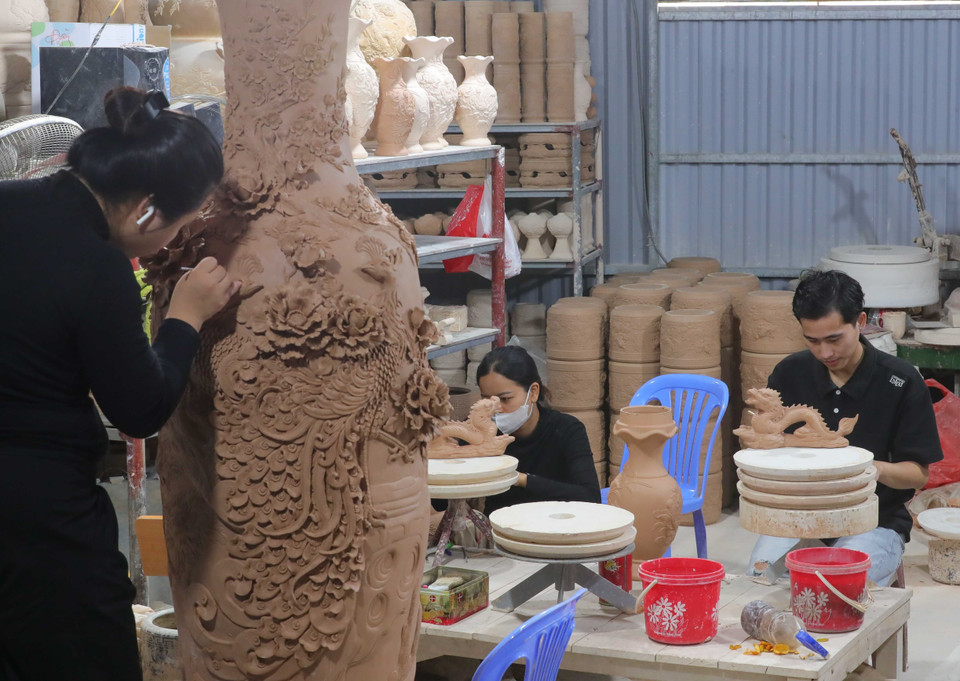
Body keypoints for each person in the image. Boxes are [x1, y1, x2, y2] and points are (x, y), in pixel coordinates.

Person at [0, 88, 238, 681]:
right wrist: (184, 317)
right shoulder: (95, 262)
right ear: (147, 211)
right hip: (34, 511)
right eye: (177, 226)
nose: (171, 243)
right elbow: (139, 408)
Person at [746, 270, 943, 586]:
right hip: (801, 517)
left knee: (833, 588)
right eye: (813, 341)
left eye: (835, 339)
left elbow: (918, 473)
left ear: (860, 322)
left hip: (875, 521)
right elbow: (766, 443)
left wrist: (866, 468)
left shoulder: (901, 382)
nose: (825, 353)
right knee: (760, 580)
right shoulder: (790, 373)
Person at [476, 345, 600, 516]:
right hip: (499, 531)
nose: (496, 409)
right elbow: (440, 503)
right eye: (487, 400)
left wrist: (520, 479)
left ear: (533, 392)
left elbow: (590, 497)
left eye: (505, 399)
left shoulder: (566, 430)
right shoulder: (480, 432)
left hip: (555, 529)